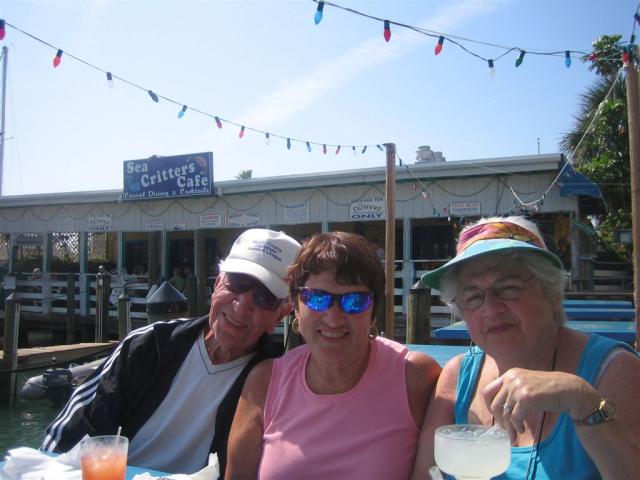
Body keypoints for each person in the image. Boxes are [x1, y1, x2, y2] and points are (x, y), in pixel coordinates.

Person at [42, 229, 301, 476]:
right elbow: (69, 434)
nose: (242, 305)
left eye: (264, 297)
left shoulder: (276, 386)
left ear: (282, 313)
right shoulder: (148, 345)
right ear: (218, 282)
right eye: (237, 283)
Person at [411, 216, 639, 480]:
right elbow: (425, 476)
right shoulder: (458, 376)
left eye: (509, 288)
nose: (491, 309)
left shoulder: (615, 370)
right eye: (473, 296)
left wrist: (583, 402)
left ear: (552, 294)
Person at [225, 232, 441, 479]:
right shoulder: (264, 382)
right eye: (317, 299)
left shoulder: (414, 377)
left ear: (374, 311)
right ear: (295, 306)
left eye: (354, 301)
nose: (334, 318)